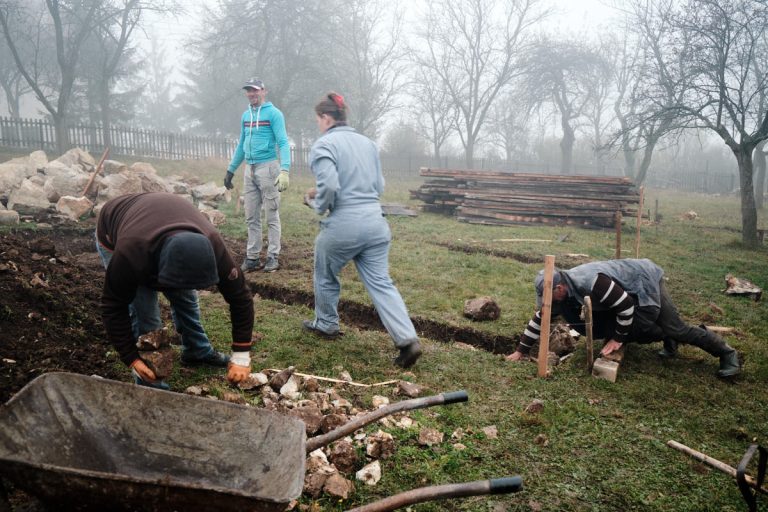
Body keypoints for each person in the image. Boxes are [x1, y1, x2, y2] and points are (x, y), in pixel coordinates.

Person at [302, 92, 422, 368]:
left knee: (325, 271)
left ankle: (327, 324)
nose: (318, 125)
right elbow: (379, 186)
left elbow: (329, 186)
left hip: (345, 222)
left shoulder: (324, 145)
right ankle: (407, 340)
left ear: (326, 117)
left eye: (318, 119)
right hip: (376, 222)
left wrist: (317, 203)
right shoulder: (368, 144)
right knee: (381, 282)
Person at [96, 192, 255, 388]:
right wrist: (131, 358)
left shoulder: (213, 246)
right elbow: (113, 306)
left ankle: (197, 351)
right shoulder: (130, 254)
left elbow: (241, 299)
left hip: (160, 222)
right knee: (146, 315)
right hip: (115, 228)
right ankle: (151, 383)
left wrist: (241, 356)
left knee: (186, 297)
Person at [505, 258, 741, 378]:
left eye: (550, 297)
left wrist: (618, 338)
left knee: (671, 328)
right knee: (613, 329)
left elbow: (626, 307)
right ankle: (669, 338)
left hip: (644, 281)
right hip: (625, 295)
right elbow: (540, 318)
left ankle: (727, 354)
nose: (550, 303)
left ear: (558, 288)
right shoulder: (562, 290)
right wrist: (520, 351)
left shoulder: (593, 284)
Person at [224, 77, 291, 273]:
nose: (252, 94)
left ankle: (273, 256)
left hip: (268, 167)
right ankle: (252, 257)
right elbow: (241, 145)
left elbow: (284, 142)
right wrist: (230, 170)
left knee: (271, 214)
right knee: (251, 216)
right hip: (249, 169)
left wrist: (285, 170)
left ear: (263, 91)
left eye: (255, 90)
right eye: (249, 91)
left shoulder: (274, 114)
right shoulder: (246, 116)